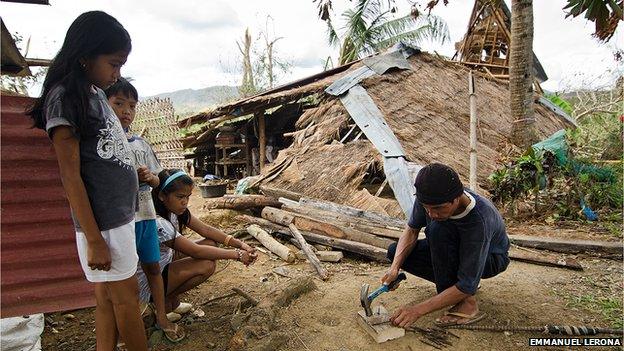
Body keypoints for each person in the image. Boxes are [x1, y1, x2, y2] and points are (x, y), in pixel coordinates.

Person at [27, 11, 147, 351]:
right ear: (84, 56)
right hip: (103, 224)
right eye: (113, 64)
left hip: (114, 218)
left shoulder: (91, 91)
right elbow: (70, 174)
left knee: (108, 300)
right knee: (126, 301)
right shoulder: (66, 97)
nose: (117, 74)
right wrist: (94, 240)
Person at [105, 78, 185, 342]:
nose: (126, 111)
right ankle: (121, 332)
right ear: (103, 105)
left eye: (131, 106)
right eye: (118, 104)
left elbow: (158, 179)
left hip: (146, 217)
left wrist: (149, 178)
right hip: (120, 221)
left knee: (152, 268)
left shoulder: (140, 144)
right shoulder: (103, 146)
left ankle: (161, 318)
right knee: (121, 278)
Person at [383, 163, 510, 328]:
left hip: (491, 259)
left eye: (438, 208)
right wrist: (394, 268)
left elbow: (465, 284)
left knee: (438, 230)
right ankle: (459, 287)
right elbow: (412, 229)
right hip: (454, 249)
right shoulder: (430, 199)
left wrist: (417, 310)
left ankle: (468, 303)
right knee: (396, 252)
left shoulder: (479, 220)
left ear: (457, 198)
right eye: (426, 208)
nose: (431, 214)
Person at [135, 169, 257, 321]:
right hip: (149, 281)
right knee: (206, 265)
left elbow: (206, 230)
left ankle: (172, 302)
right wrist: (237, 255)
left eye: (187, 197)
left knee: (211, 242)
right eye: (180, 197)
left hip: (164, 263)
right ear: (161, 196)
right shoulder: (159, 222)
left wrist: (239, 244)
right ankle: (161, 302)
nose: (185, 202)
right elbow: (196, 251)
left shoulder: (176, 211)